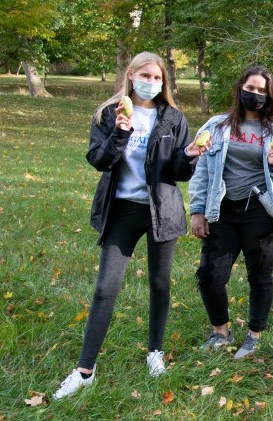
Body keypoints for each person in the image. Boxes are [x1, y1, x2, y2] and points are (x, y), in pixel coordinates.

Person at [54, 52, 206, 400]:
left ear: (163, 82)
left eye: (157, 78)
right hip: (122, 210)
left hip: (161, 211)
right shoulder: (111, 113)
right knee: (106, 287)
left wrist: (192, 155)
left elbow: (177, 173)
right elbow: (99, 160)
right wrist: (121, 134)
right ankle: (84, 371)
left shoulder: (173, 118)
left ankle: (155, 352)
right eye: (145, 75)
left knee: (159, 283)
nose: (151, 83)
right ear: (131, 75)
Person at [189, 65, 273, 359]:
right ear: (240, 88)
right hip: (222, 210)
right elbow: (200, 169)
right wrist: (197, 211)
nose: (255, 94)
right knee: (211, 274)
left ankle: (254, 335)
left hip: (261, 212)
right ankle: (221, 332)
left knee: (260, 275)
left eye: (262, 90)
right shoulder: (216, 125)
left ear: (269, 96)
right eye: (250, 88)